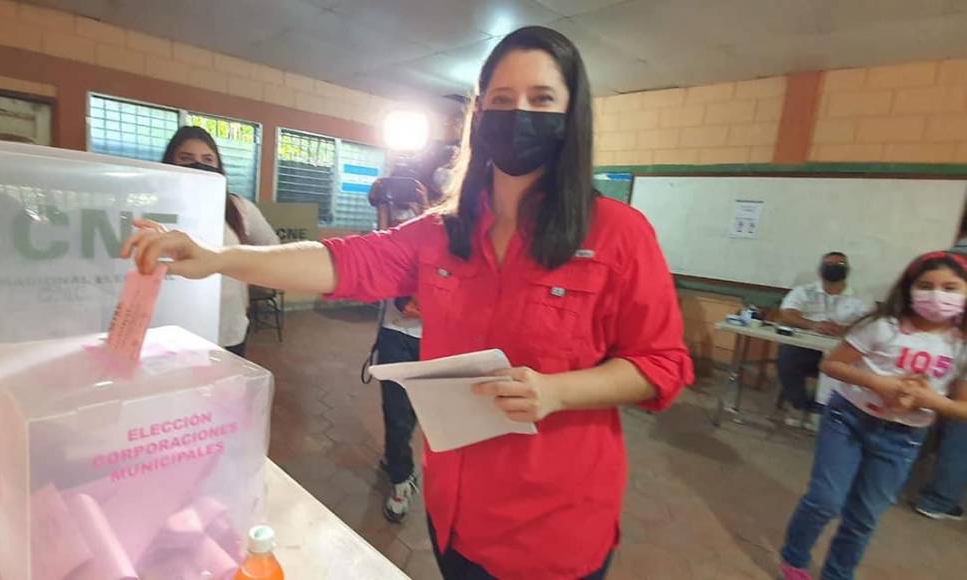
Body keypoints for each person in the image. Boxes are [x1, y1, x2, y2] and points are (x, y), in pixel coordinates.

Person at [123, 26, 693, 579]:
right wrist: (219, 257)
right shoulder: (443, 232)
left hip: (552, 530)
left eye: (541, 99)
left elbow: (662, 365)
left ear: (571, 117)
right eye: (502, 99)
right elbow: (343, 262)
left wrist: (557, 391)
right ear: (479, 117)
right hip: (454, 513)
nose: (519, 113)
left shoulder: (617, 234)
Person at [779, 251, 967, 580]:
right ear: (909, 288)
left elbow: (962, 408)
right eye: (926, 285)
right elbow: (831, 364)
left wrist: (928, 399)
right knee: (825, 500)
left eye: (950, 288)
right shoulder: (882, 326)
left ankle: (838, 574)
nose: (937, 295)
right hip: (848, 421)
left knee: (864, 517)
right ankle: (794, 557)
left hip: (903, 437)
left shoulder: (961, 345)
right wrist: (879, 383)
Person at [365, 97, 466, 524]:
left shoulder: (462, 222)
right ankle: (400, 476)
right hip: (395, 333)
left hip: (438, 338)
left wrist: (428, 213)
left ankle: (416, 467)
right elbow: (379, 262)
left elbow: (458, 272)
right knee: (395, 413)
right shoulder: (400, 221)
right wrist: (386, 212)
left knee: (430, 414)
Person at [161, 126, 279, 357]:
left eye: (207, 159)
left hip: (227, 325)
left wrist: (246, 270)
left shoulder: (238, 208)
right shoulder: (157, 206)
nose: (198, 165)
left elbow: (272, 247)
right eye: (186, 158)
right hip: (172, 326)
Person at [777, 252, 870, 424]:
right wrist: (812, 325)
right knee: (787, 356)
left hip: (841, 350)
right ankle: (799, 406)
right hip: (807, 347)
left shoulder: (861, 296)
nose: (834, 268)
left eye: (840, 265)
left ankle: (826, 411)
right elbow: (787, 314)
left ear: (847, 270)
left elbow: (869, 324)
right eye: (829, 265)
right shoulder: (804, 291)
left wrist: (844, 329)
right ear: (820, 270)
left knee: (848, 364)